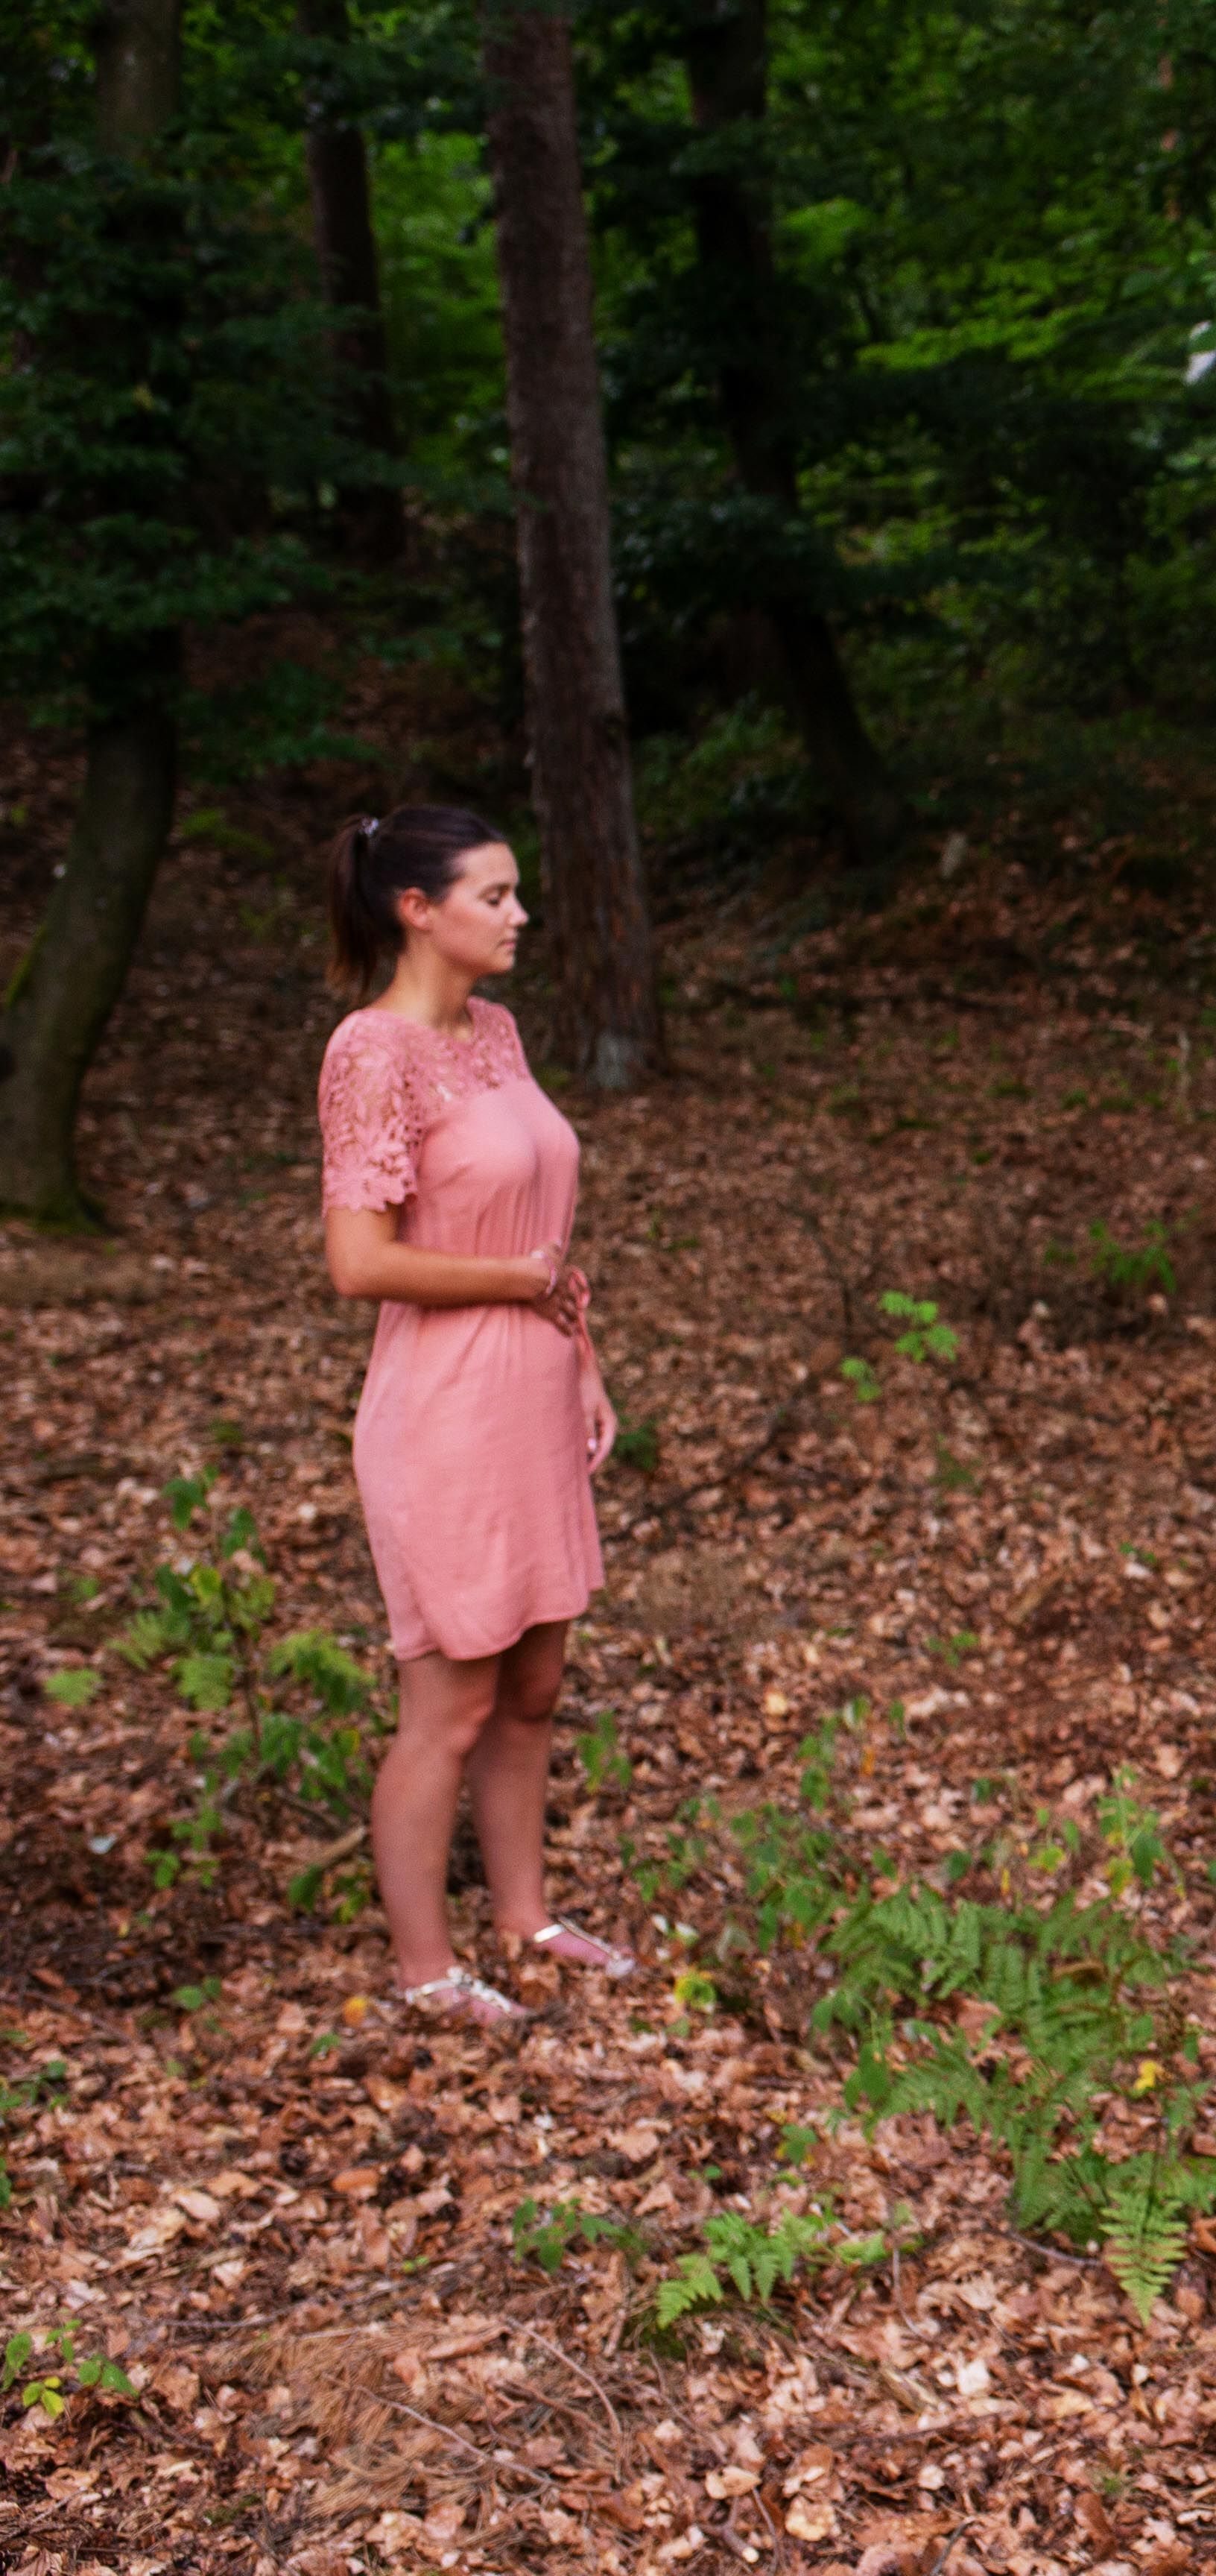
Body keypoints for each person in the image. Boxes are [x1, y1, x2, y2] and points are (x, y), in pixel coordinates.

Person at [316, 807, 631, 2027]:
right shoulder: (371, 1052)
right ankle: (426, 1970)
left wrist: (583, 1357)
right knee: (446, 1703)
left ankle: (527, 1915)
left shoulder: (494, 1033)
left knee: (538, 1680)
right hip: (442, 1409)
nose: (518, 915)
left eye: (516, 894)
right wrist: (516, 1283)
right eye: (493, 897)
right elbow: (358, 1260)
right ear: (417, 909)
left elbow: (546, 1223)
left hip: (536, 1399)